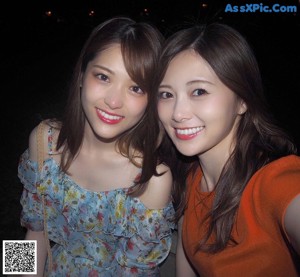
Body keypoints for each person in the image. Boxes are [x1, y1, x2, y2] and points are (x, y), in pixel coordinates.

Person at [18, 16, 176, 276]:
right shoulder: (43, 141)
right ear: (81, 76)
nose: (114, 101)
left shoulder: (151, 179)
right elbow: (33, 230)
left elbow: (137, 271)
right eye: (103, 77)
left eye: (136, 88)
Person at [156, 22, 300, 276]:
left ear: (243, 100)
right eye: (166, 94)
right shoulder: (190, 180)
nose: (177, 113)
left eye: (199, 91)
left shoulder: (276, 181)